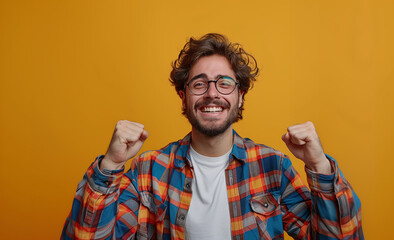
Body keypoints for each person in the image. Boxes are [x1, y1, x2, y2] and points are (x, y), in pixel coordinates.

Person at [61, 33, 363, 240]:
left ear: (240, 96)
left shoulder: (273, 167)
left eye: (224, 83)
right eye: (200, 84)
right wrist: (111, 164)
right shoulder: (148, 171)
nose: (212, 93)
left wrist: (320, 166)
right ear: (183, 96)